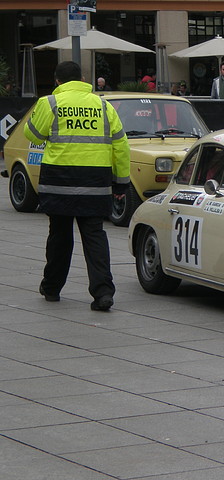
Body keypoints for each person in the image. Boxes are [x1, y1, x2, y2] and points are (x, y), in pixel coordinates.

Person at [24, 61, 131, 311]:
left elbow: (33, 135)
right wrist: (122, 182)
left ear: (57, 81)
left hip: (58, 182)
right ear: (82, 78)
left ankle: (51, 288)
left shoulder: (50, 102)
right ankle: (103, 293)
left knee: (59, 236)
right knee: (94, 237)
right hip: (95, 183)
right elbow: (121, 146)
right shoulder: (103, 106)